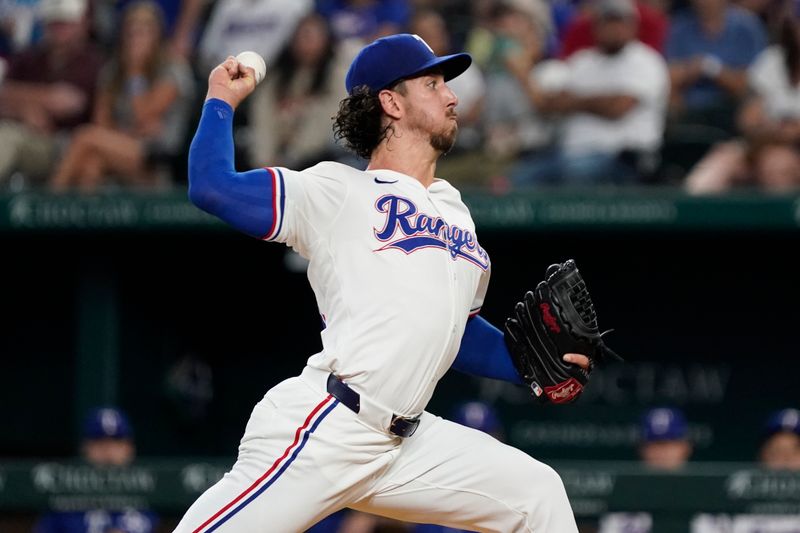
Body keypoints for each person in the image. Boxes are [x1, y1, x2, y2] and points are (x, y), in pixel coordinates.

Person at [175, 32, 592, 532]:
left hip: (405, 445)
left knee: (537, 494)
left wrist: (531, 368)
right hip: (330, 425)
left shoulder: (455, 210)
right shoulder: (336, 190)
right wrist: (221, 99)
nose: (453, 95)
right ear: (391, 102)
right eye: (434, 84)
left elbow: (454, 334)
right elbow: (211, 186)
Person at [48, 0, 195, 192]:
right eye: (131, 32)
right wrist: (128, 133)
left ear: (158, 34)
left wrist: (136, 72)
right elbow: (101, 122)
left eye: (143, 32)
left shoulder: (173, 70)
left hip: (155, 160)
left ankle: (48, 199)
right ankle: (77, 220)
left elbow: (143, 115)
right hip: (117, 149)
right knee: (91, 165)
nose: (136, 39)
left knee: (85, 137)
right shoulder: (112, 71)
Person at [0, 0, 104, 187]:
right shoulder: (29, 58)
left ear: (82, 24)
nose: (59, 29)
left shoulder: (93, 63)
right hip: (29, 138)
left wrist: (22, 97)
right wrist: (24, 111)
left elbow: (68, 102)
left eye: (65, 23)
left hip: (67, 144)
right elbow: (2, 95)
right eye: (54, 23)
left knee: (7, 137)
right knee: (7, 135)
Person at [34, 407, 159, 533]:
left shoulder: (149, 499)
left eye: (116, 443)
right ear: (85, 448)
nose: (108, 451)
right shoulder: (62, 503)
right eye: (100, 443)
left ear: (130, 448)